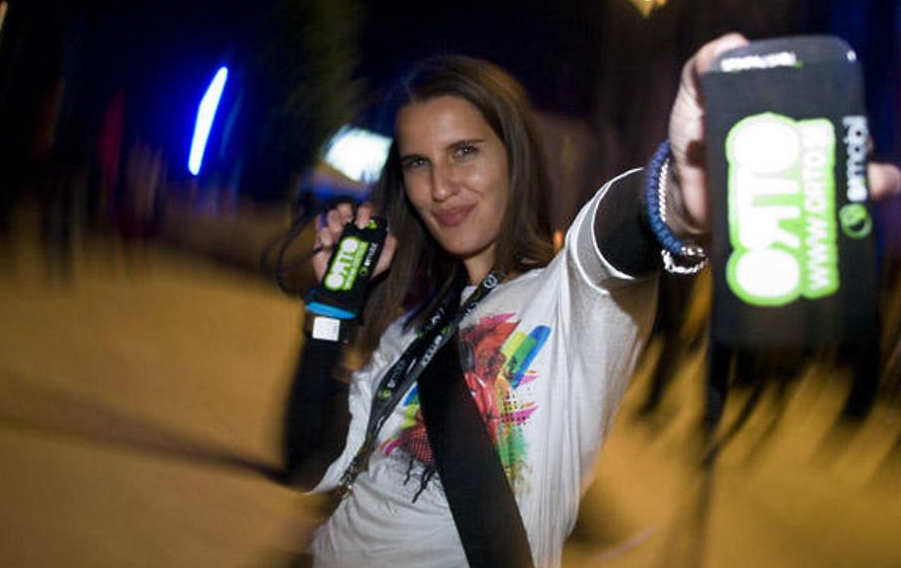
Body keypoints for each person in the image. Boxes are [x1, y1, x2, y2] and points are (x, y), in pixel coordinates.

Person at [284, 34, 901, 568]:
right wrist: (333, 306)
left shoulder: (572, 294)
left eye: (464, 152)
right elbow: (309, 458)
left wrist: (677, 197)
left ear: (514, 156)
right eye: (419, 162)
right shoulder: (411, 331)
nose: (440, 186)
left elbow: (619, 231)